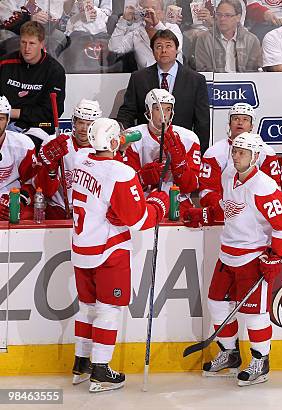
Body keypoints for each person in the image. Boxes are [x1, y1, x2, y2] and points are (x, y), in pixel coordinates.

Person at [183, 132, 282, 387]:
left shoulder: (264, 187)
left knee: (254, 314)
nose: (236, 156)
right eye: (235, 150)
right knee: (216, 304)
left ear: (255, 157)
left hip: (252, 256)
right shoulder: (228, 176)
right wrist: (203, 214)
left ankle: (260, 360)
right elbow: (227, 209)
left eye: (242, 152)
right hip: (227, 253)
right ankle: (230, 353)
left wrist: (274, 255)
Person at [70, 118, 169, 393]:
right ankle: (101, 370)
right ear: (113, 142)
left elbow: (103, 166)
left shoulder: (79, 159)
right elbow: (138, 220)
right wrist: (158, 203)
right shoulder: (121, 173)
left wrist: (119, 142)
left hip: (81, 247)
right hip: (108, 250)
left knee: (86, 308)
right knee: (107, 310)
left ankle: (82, 363)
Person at [116, 29, 210, 151]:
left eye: (168, 46)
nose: (163, 50)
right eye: (158, 46)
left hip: (181, 147)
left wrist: (200, 154)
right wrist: (121, 138)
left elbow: (202, 123)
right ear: (153, 51)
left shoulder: (196, 80)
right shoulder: (139, 78)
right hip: (145, 147)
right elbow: (127, 112)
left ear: (177, 50)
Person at [122, 89, 201, 215]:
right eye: (158, 109)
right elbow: (124, 186)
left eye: (168, 109)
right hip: (144, 202)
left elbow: (191, 187)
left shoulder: (189, 139)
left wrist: (180, 165)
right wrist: (142, 177)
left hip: (178, 202)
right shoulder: (133, 137)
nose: (164, 114)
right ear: (149, 110)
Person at [198, 103, 280, 217]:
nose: (240, 123)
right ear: (229, 124)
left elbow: (274, 189)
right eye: (236, 118)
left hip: (258, 212)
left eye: (245, 119)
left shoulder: (266, 152)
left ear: (252, 126)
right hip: (224, 213)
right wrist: (225, 208)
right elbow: (207, 191)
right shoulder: (214, 152)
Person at [0, 21, 65, 146]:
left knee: (22, 146)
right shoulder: (4, 63)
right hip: (5, 122)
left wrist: (13, 112)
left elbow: (52, 112)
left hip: (38, 126)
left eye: (32, 43)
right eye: (23, 42)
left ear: (41, 44)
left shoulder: (54, 71)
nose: (26, 48)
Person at [34, 99, 101, 219]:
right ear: (74, 122)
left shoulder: (101, 149)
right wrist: (51, 167)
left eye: (89, 124)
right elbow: (45, 190)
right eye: (81, 122)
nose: (84, 129)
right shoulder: (54, 143)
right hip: (57, 209)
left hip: (88, 214)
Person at [109, 0, 183, 69]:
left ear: (162, 13)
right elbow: (114, 48)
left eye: (154, 8)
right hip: (147, 80)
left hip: (174, 79)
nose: (149, 12)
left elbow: (177, 48)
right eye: (146, 9)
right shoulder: (136, 33)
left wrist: (157, 24)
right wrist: (123, 21)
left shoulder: (172, 27)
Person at [194, 0, 262, 72]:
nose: (222, 19)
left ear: (238, 18)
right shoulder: (204, 39)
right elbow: (203, 70)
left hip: (243, 82)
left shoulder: (251, 40)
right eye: (219, 15)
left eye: (227, 15)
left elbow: (253, 71)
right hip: (215, 82)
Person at [0, 95, 37, 221]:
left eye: (0, 119)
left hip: (11, 200)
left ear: (8, 120)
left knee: (27, 214)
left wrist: (18, 201)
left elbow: (32, 184)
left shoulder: (23, 145)